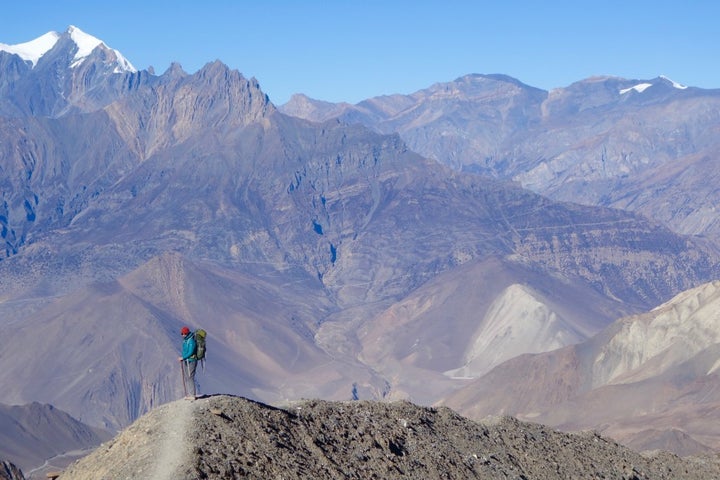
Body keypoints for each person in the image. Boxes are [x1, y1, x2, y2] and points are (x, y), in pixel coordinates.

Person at [178, 326, 198, 399]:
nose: (182, 335)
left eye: (183, 334)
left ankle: (192, 395)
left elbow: (191, 352)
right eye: (181, 333)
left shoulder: (191, 341)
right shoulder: (186, 340)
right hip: (186, 360)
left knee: (190, 377)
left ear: (186, 333)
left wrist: (183, 357)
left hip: (191, 361)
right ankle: (190, 394)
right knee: (187, 377)